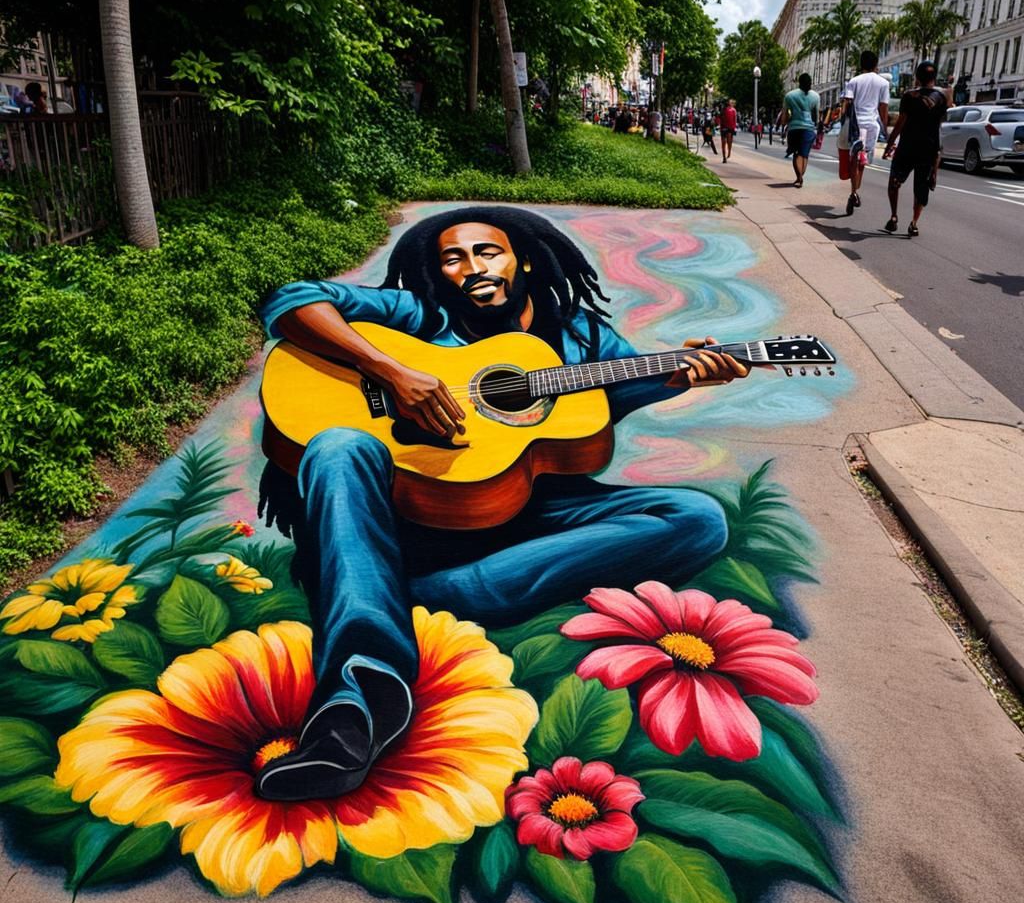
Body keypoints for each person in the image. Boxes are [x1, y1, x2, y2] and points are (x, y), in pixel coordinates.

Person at [252, 207, 750, 801]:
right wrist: (387, 369)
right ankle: (362, 697)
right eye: (453, 258)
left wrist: (678, 375)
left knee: (697, 519)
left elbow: (599, 407)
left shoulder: (583, 338)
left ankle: (417, 593)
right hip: (418, 517)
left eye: (488, 252)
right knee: (337, 446)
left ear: (523, 260)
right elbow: (290, 300)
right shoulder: (419, 318)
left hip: (540, 514)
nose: (473, 268)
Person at [882, 61, 948, 237]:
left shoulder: (909, 96)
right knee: (921, 188)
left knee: (894, 182)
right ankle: (914, 223)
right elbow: (939, 128)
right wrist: (936, 163)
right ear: (934, 78)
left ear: (917, 78)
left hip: (907, 148)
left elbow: (900, 123)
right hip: (928, 150)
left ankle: (894, 216)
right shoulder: (942, 99)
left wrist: (889, 144)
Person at [838, 51, 889, 215]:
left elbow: (847, 104)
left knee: (854, 158)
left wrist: (841, 120)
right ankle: (854, 191)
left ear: (861, 64)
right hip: (872, 126)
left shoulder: (853, 81)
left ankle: (853, 192)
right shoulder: (883, 83)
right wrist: (886, 130)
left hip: (855, 125)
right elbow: (883, 108)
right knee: (862, 161)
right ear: (876, 65)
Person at [781, 73, 820, 188]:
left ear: (799, 82)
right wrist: (815, 124)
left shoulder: (789, 96)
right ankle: (800, 176)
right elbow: (815, 116)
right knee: (804, 154)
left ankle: (799, 177)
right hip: (809, 129)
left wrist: (784, 123)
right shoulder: (816, 97)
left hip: (794, 128)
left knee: (796, 153)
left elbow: (785, 114)